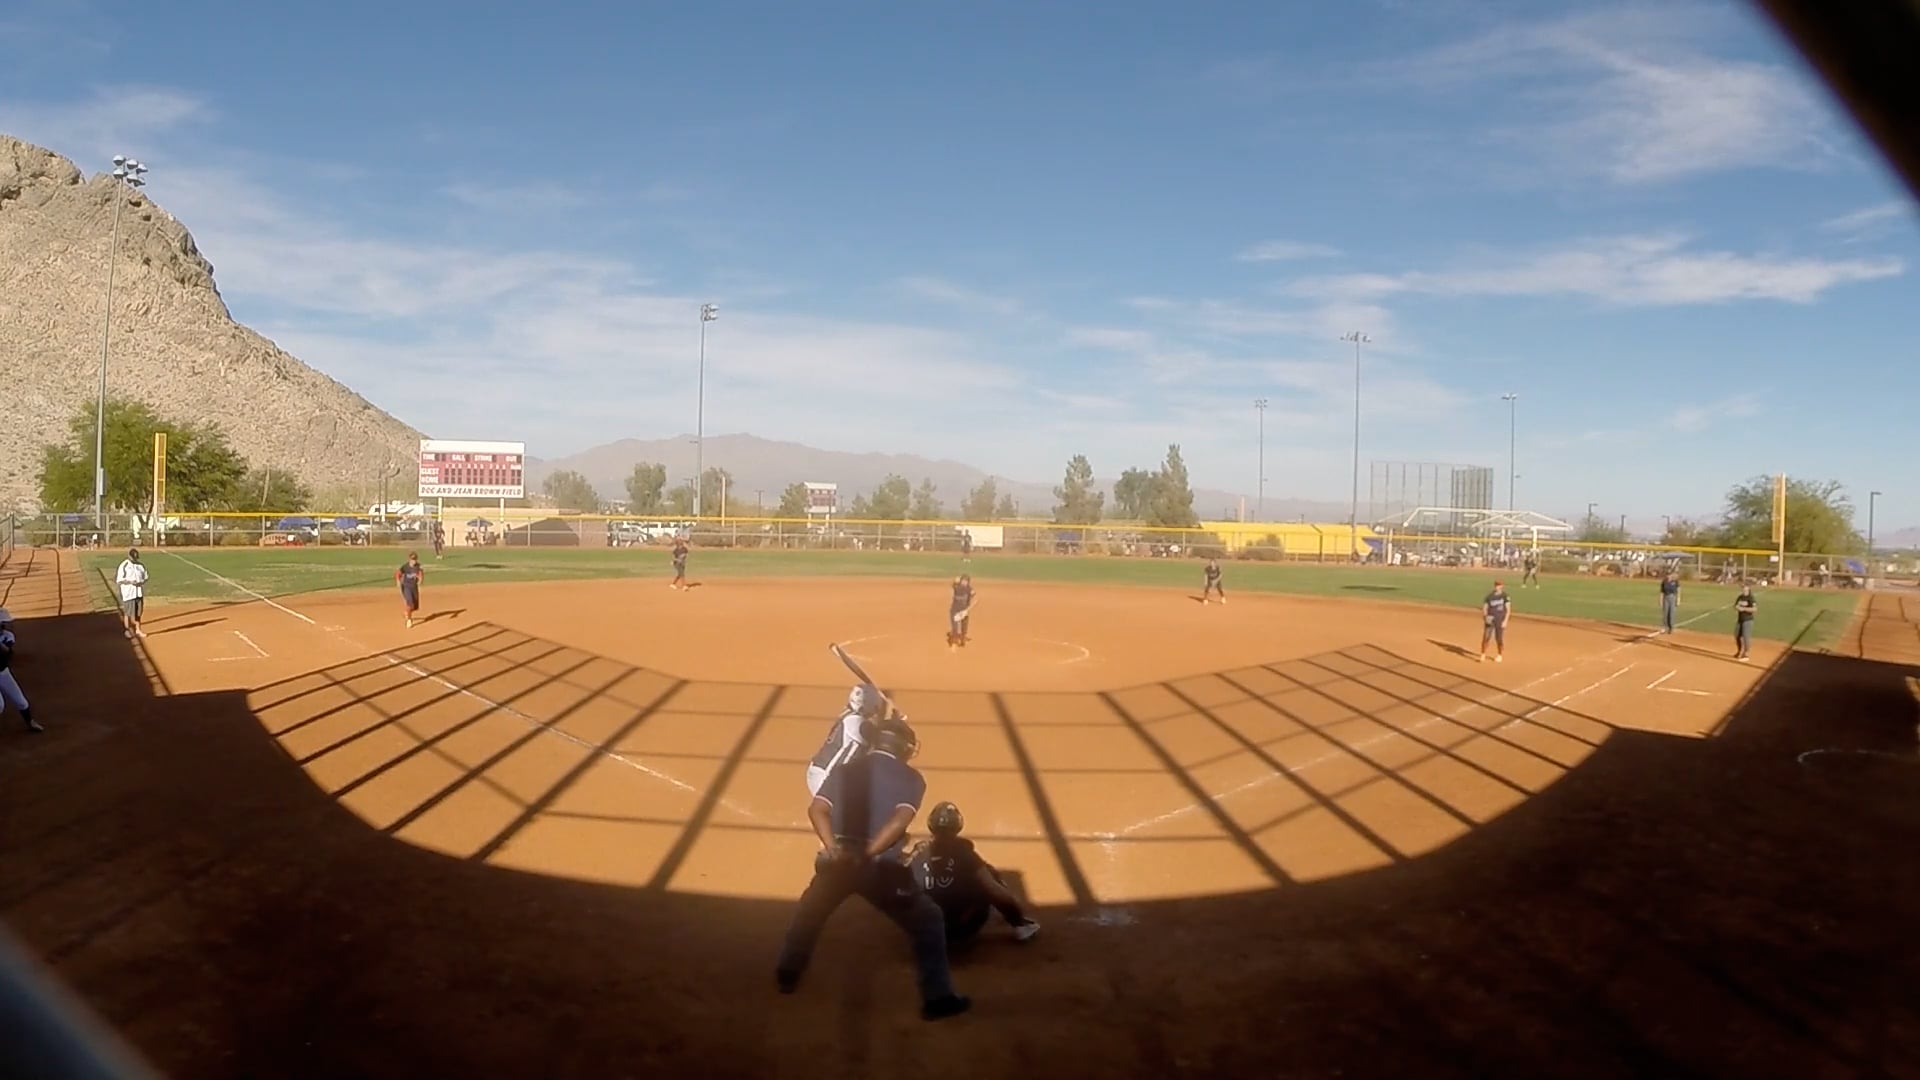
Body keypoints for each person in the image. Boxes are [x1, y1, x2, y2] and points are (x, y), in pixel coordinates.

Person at [775, 722, 969, 1021]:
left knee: (810, 913)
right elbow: (899, 821)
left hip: (837, 863)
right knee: (928, 919)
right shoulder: (911, 778)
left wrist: (834, 849)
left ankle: (788, 973)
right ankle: (937, 998)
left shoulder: (845, 770)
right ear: (904, 748)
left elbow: (817, 810)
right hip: (879, 868)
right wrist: (868, 853)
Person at [908, 801, 1040, 944]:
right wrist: (1016, 916)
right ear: (958, 826)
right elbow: (993, 889)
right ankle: (1021, 927)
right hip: (959, 932)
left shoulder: (917, 853)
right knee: (987, 875)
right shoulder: (965, 854)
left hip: (925, 932)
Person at [806, 684, 886, 796]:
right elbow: (880, 740)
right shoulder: (859, 724)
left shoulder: (849, 715)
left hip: (818, 770)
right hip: (824, 779)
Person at [0, 609, 43, 734]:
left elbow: (7, 652)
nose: (5, 625)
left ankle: (30, 721)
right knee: (0, 705)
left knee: (21, 701)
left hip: (3, 672)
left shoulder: (8, 636)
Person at [114, 548, 148, 640]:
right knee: (128, 613)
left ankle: (138, 629)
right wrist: (130, 582)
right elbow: (119, 580)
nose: (135, 559)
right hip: (129, 593)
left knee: (138, 613)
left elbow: (145, 577)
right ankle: (127, 630)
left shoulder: (140, 566)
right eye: (133, 558)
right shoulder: (124, 565)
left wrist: (142, 582)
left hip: (138, 593)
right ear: (129, 556)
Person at [1479, 580, 1511, 663]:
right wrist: (1485, 617)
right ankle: (1483, 654)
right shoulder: (1489, 596)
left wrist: (1505, 621)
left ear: (1502, 586)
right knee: (1486, 637)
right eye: (1496, 585)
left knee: (1499, 638)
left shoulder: (1505, 596)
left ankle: (1499, 655)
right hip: (1490, 619)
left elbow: (1508, 610)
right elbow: (1485, 608)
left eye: (1499, 585)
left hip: (1499, 620)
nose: (1498, 587)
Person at [946, 574, 975, 650]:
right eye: (963, 581)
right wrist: (955, 580)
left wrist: (967, 610)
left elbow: (975, 598)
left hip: (964, 611)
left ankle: (963, 639)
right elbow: (953, 583)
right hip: (954, 610)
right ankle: (954, 643)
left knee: (964, 627)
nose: (964, 583)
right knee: (955, 628)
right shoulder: (956, 587)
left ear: (968, 582)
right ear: (960, 581)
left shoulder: (969, 589)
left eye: (966, 581)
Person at [397, 551, 425, 628]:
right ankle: (409, 620)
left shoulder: (418, 566)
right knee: (410, 603)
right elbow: (398, 573)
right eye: (412, 559)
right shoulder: (405, 567)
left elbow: (420, 573)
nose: (414, 561)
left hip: (414, 587)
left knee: (414, 607)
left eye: (415, 559)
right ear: (409, 559)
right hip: (406, 586)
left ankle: (407, 612)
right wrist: (398, 581)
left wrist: (420, 579)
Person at [1734, 584, 1757, 661]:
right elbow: (1736, 605)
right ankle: (1739, 651)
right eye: (1743, 589)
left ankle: (1746, 654)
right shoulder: (1740, 597)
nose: (1744, 591)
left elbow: (1754, 609)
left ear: (1748, 590)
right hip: (1740, 620)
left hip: (1748, 620)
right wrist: (1737, 607)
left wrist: (1744, 609)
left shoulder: (1751, 598)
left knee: (1746, 637)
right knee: (1737, 635)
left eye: (1745, 590)